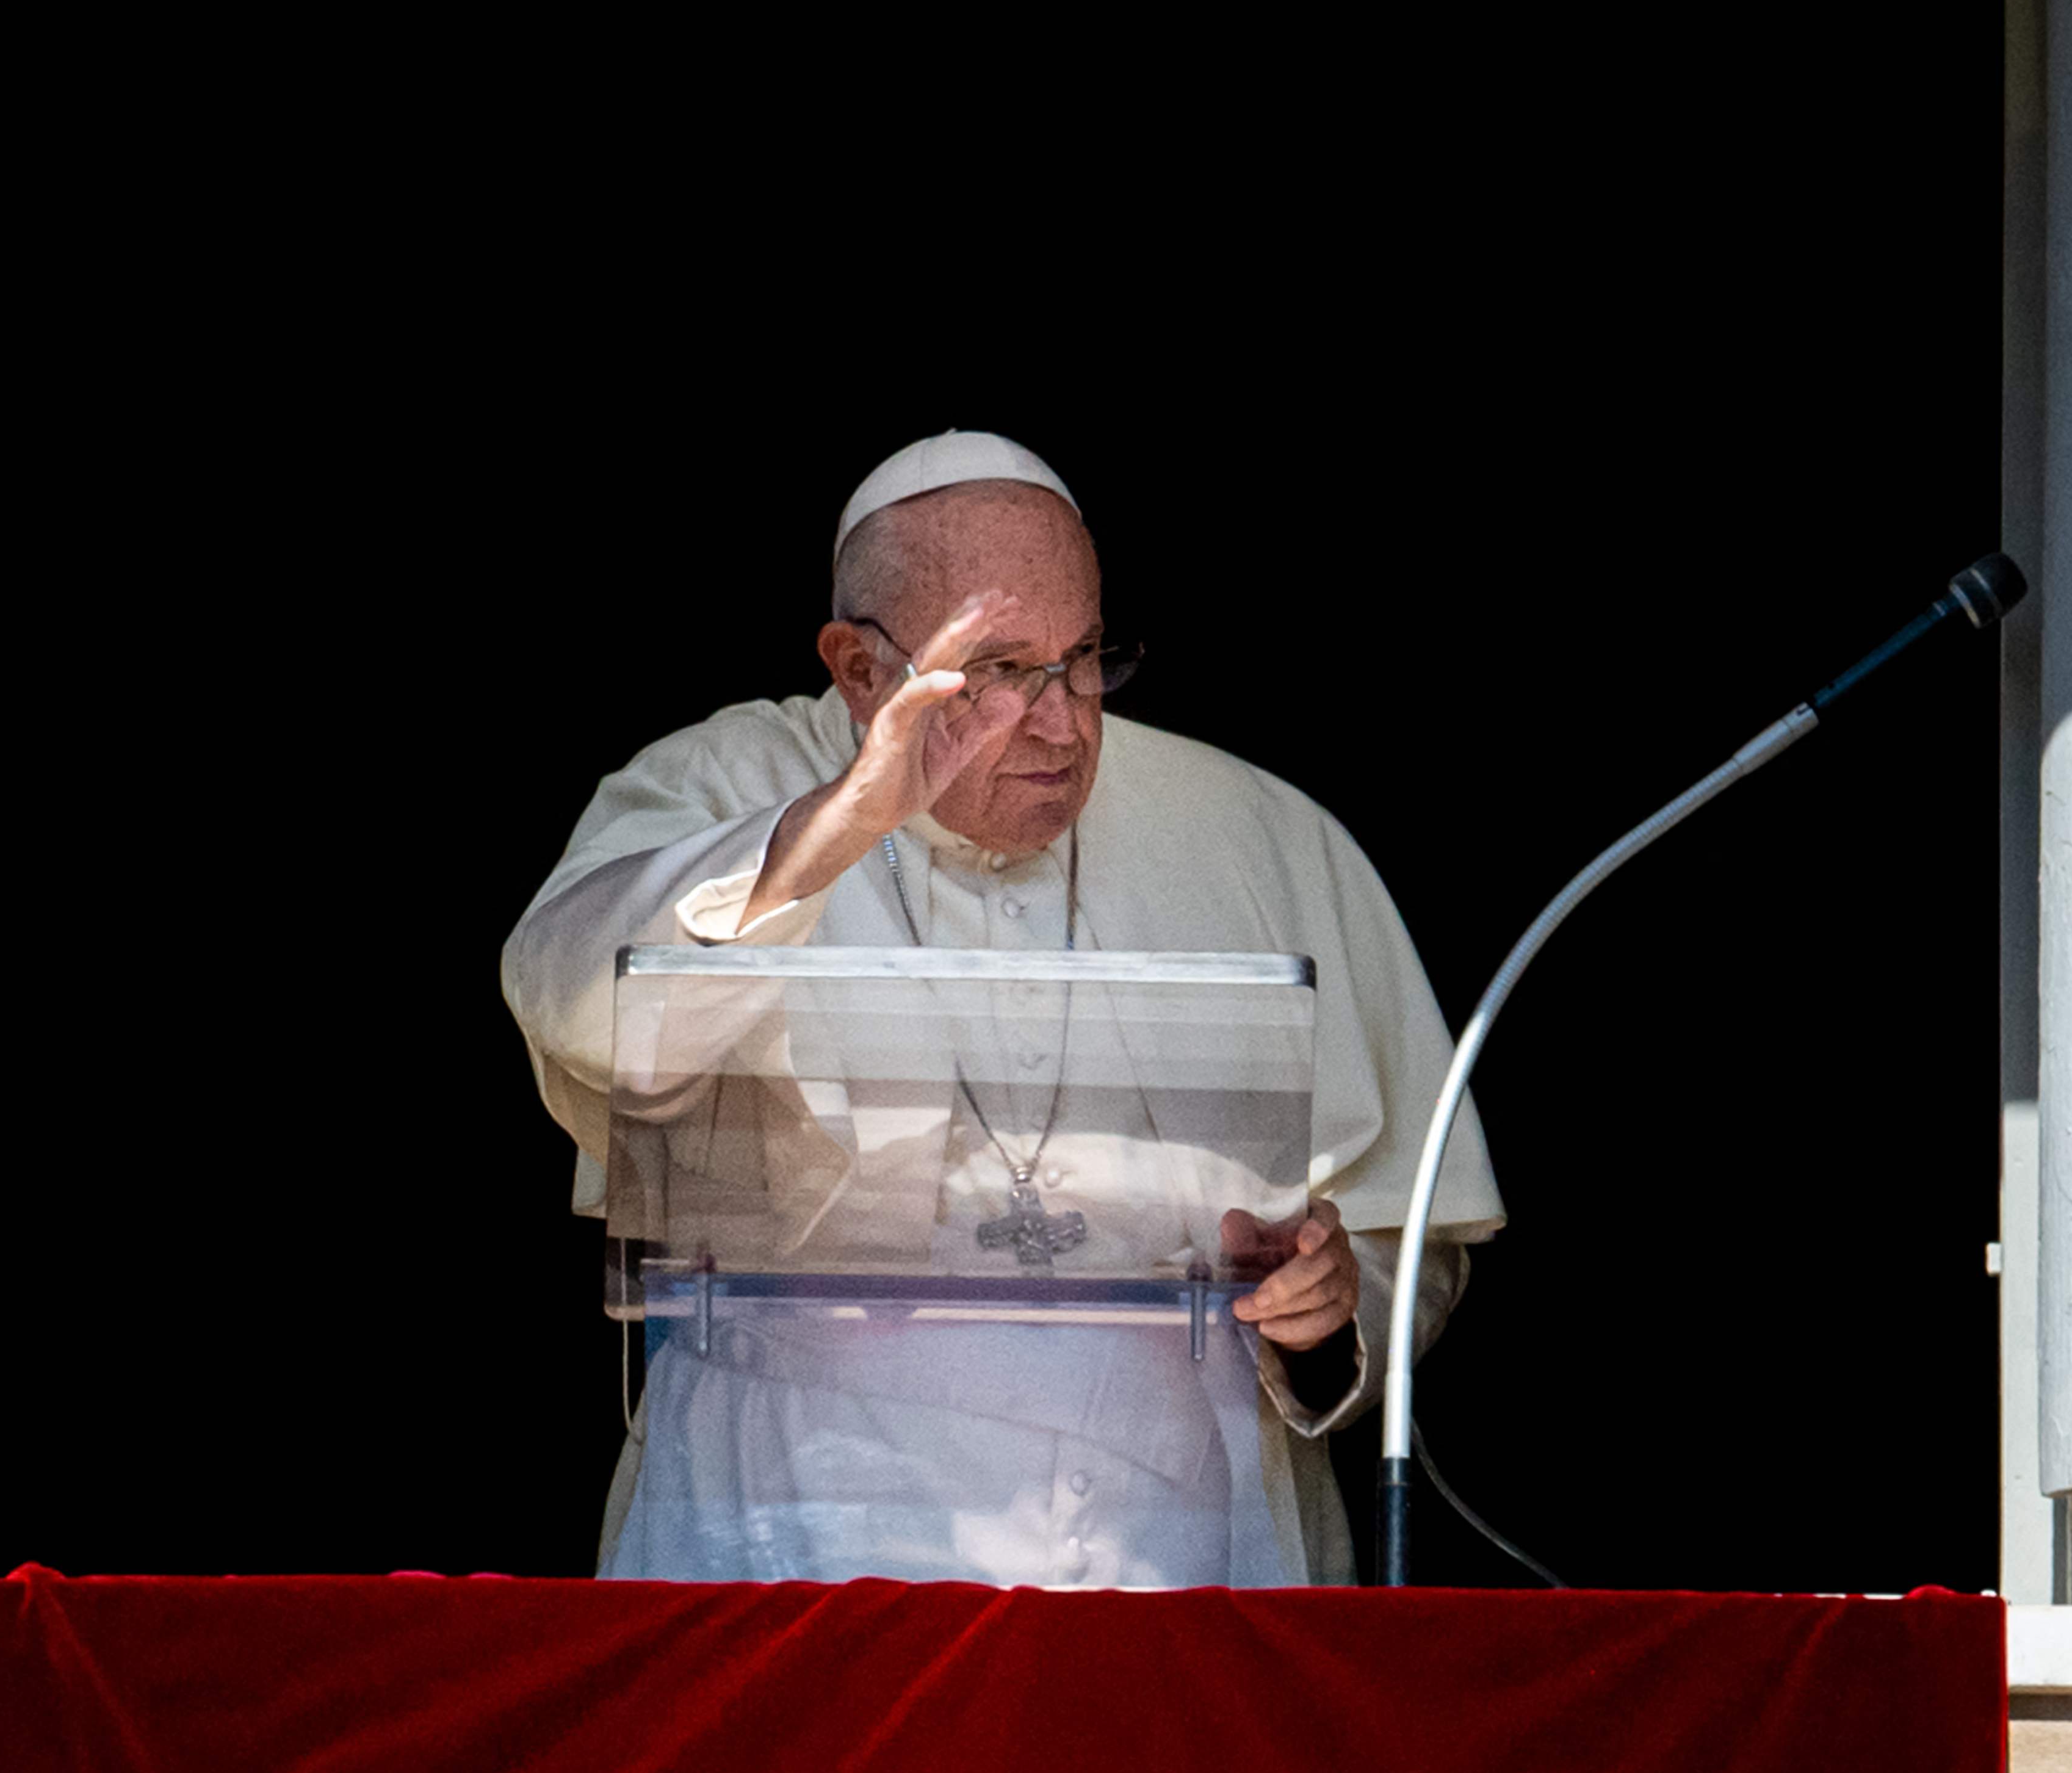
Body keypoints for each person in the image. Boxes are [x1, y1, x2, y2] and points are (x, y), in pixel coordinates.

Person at [502, 430, 1498, 1587]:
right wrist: (834, 828)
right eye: (1002, 672)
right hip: (786, 1526)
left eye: (1085, 661)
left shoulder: (1256, 829)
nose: (1067, 724)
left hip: (1176, 1548)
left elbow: (1409, 1234)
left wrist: (1333, 1301)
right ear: (859, 668)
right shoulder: (722, 787)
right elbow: (573, 998)